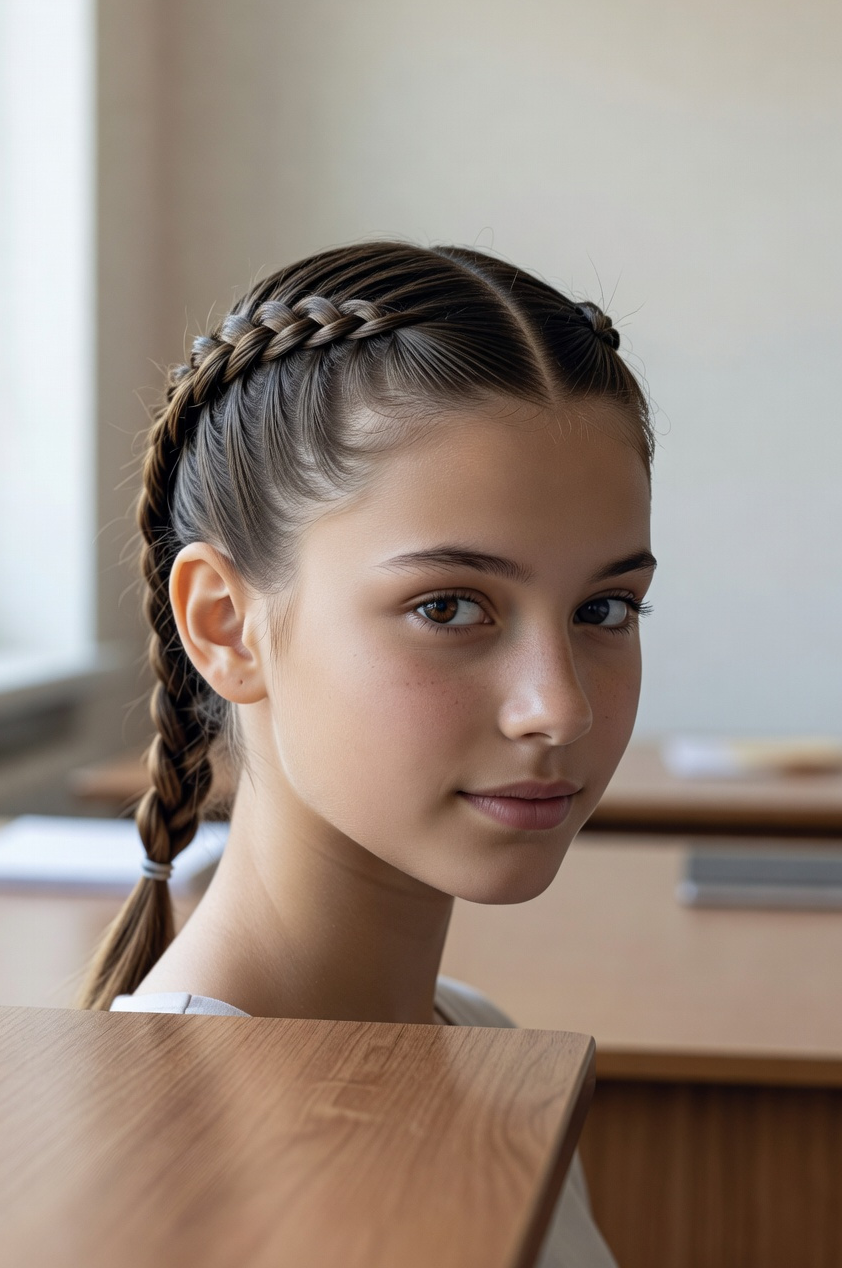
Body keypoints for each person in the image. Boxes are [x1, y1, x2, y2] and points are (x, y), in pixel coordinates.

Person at [79, 241, 655, 1266]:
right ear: (225, 626)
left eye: (603, 608)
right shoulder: (176, 1190)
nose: (557, 708)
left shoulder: (472, 1035)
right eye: (449, 607)